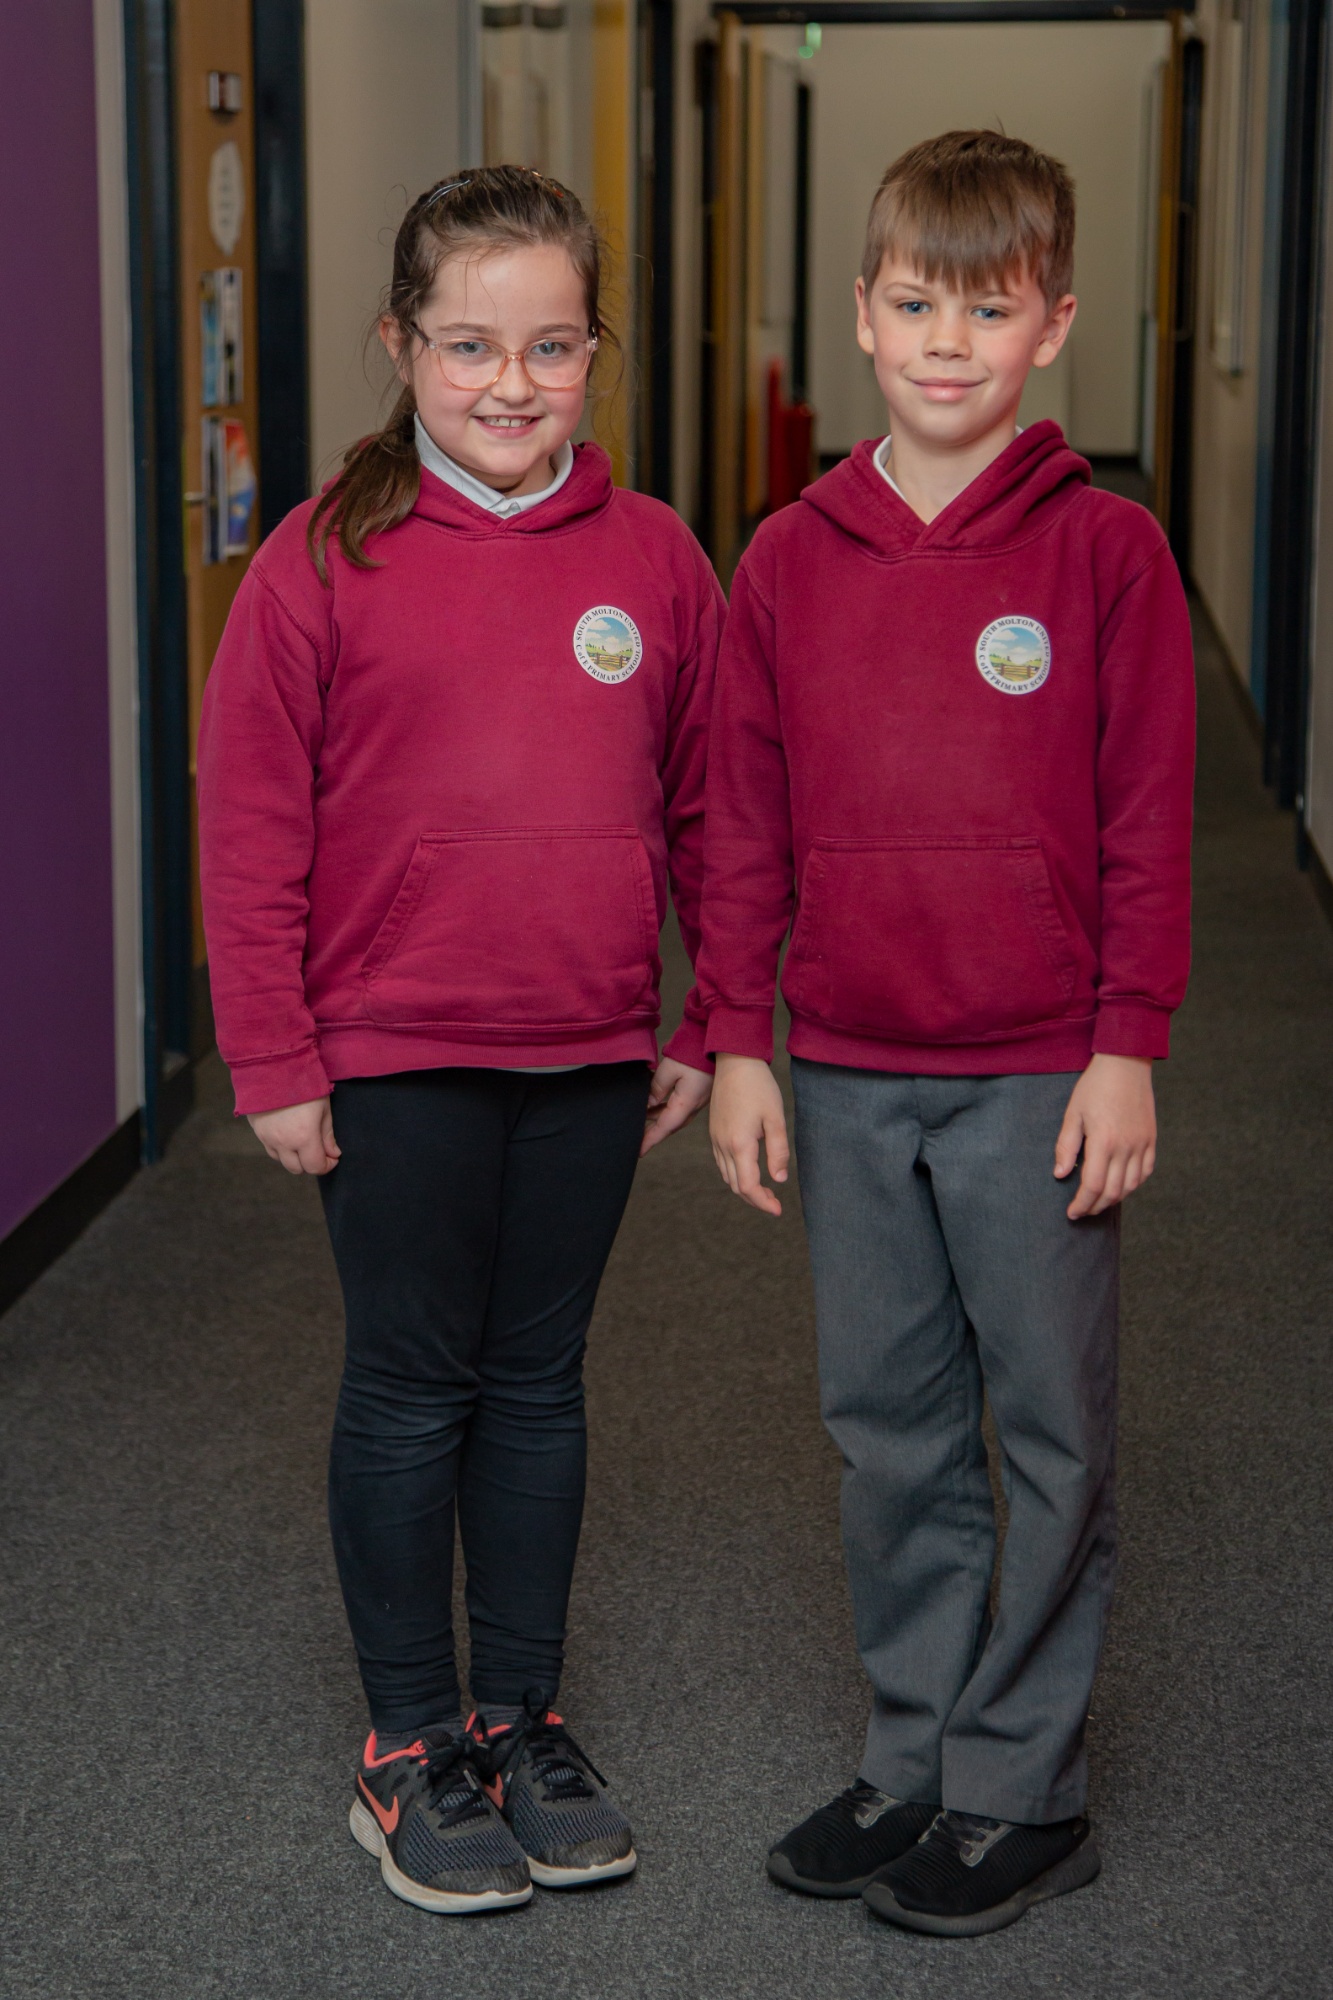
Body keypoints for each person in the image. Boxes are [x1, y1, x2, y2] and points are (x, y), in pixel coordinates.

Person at [197, 166, 721, 1917]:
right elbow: (251, 821)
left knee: (541, 1383)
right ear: (399, 346)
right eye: (471, 344)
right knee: (416, 1387)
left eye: (551, 345)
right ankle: (408, 1743)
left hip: (583, 1049)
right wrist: (272, 1056)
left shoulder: (652, 557)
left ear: (596, 352)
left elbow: (717, 805)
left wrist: (710, 1014)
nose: (512, 383)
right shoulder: (320, 561)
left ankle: (520, 1715)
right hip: (395, 1050)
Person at [702, 131, 1194, 1937]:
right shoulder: (785, 559)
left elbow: (1145, 814)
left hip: (1034, 1073)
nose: (941, 342)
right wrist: (741, 1038)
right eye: (911, 303)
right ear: (858, 312)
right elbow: (741, 820)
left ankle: (1020, 1787)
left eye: (985, 312)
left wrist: (1124, 1040)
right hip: (837, 1063)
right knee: (889, 1430)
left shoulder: (1106, 552)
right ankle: (913, 1753)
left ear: (1049, 327)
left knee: (1048, 1427)